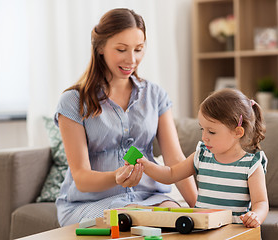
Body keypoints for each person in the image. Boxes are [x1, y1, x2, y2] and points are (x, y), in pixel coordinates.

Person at [54, 8, 197, 226]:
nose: (132, 59)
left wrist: (201, 209)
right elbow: (81, 178)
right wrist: (115, 177)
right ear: (100, 47)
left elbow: (175, 161)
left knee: (180, 220)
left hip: (150, 197)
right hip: (90, 203)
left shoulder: (155, 95)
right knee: (133, 219)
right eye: (121, 49)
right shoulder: (73, 101)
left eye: (139, 49)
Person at [138, 88, 269, 228]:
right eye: (202, 129)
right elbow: (170, 174)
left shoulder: (251, 165)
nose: (204, 137)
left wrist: (256, 216)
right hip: (203, 229)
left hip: (234, 232)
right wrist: (144, 164)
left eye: (211, 132)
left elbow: (261, 203)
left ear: (238, 132)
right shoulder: (201, 156)